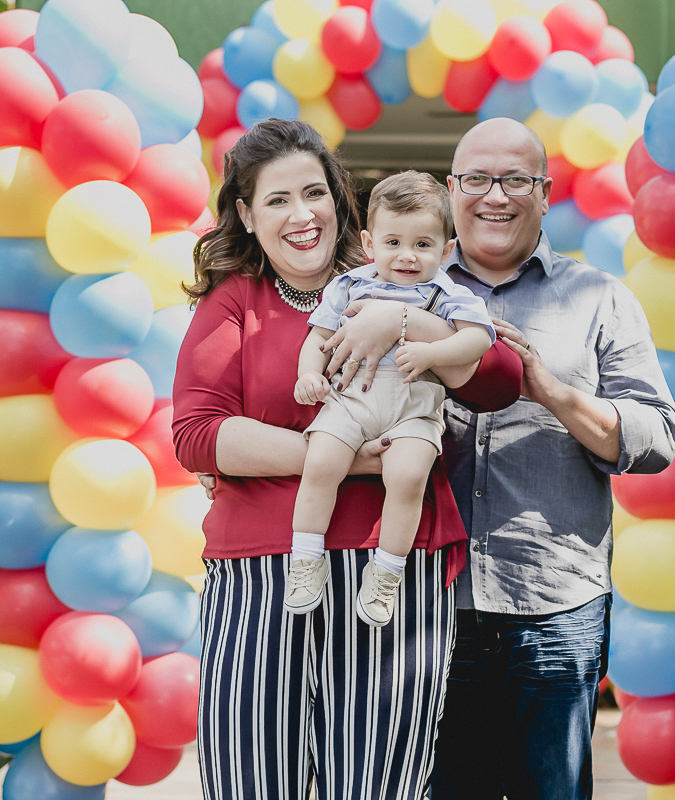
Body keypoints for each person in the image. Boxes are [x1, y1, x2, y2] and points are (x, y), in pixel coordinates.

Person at [323, 117, 675, 800]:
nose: (496, 195)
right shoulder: (380, 289)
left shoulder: (598, 298)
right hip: (424, 608)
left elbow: (657, 437)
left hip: (554, 608)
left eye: (516, 179)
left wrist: (550, 390)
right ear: (453, 190)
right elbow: (316, 391)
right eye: (479, 179)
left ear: (544, 193)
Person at [171, 119, 522, 800]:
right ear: (245, 213)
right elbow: (196, 434)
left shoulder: (405, 276)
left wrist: (401, 321)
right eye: (277, 200)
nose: (301, 216)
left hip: (393, 572)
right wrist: (335, 457)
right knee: (250, 778)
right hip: (258, 574)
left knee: (378, 784)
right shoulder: (234, 303)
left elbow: (499, 377)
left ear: (340, 202)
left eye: (315, 194)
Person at [289, 171, 495, 628]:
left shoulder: (447, 294)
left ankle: (387, 571)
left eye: (423, 245)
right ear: (368, 244)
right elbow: (318, 336)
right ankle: (305, 559)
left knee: (407, 477)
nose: (407, 256)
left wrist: (432, 351)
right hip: (349, 401)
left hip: (413, 410)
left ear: (445, 251)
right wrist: (308, 373)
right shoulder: (348, 287)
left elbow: (478, 340)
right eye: (393, 242)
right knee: (320, 463)